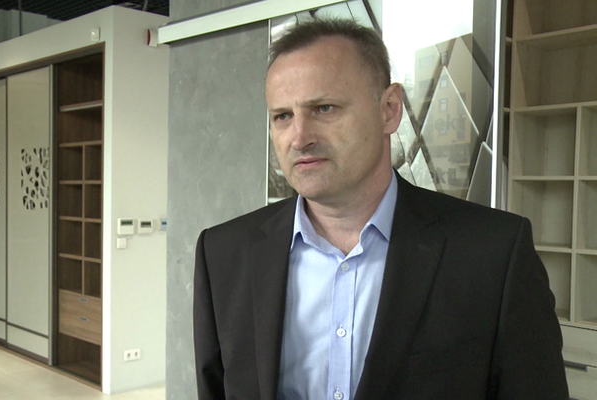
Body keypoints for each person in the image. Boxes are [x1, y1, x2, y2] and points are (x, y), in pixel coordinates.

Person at [193, 18, 569, 400]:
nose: (299, 138)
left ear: (389, 109)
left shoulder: (494, 254)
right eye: (283, 116)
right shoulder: (223, 254)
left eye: (324, 108)